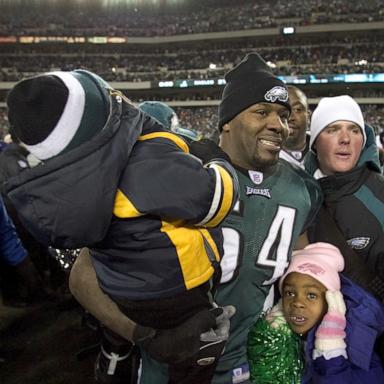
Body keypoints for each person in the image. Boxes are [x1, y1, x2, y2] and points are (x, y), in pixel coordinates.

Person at [68, 52, 323, 384]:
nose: (278, 125)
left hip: (255, 362)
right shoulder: (173, 169)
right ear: (227, 121)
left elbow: (300, 267)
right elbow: (82, 275)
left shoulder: (301, 188)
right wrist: (143, 335)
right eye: (262, 112)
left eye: (283, 115)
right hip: (173, 368)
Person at [4, 69, 238, 384]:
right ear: (100, 113)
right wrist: (218, 162)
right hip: (174, 290)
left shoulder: (67, 182)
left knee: (119, 342)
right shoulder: (144, 162)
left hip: (120, 290)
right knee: (197, 350)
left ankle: (114, 361)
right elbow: (214, 203)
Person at [248, 242, 384, 383]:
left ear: (331, 302)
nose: (297, 303)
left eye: (311, 295)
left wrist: (331, 352)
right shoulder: (277, 334)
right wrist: (270, 339)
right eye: (290, 293)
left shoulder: (357, 346)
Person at [304, 95, 384, 302]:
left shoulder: (379, 193)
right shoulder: (297, 194)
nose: (345, 138)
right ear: (315, 143)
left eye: (354, 130)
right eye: (332, 129)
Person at [279, 85, 311, 168]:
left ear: (308, 117)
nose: (289, 117)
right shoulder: (261, 159)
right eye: (283, 110)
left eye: (297, 109)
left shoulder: (324, 150)